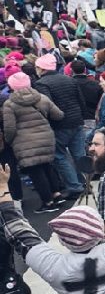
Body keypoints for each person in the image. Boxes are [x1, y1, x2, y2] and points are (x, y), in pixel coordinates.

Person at [0, 164, 105, 294]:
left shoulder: (54, 269)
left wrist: (3, 188)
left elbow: (18, 230)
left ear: (63, 241)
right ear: (100, 230)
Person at [2, 72, 66, 213]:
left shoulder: (10, 104)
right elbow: (58, 115)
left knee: (36, 172)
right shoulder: (41, 98)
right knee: (47, 166)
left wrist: (9, 140)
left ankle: (48, 202)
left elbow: (10, 128)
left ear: (11, 86)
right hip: (46, 137)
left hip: (24, 142)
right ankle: (56, 194)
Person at [34, 53, 90, 199]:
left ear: (41, 68)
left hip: (59, 124)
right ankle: (84, 183)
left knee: (59, 157)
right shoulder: (69, 79)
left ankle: (74, 186)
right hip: (77, 120)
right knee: (79, 155)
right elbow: (81, 100)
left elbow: (47, 105)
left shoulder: (42, 84)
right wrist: (81, 116)